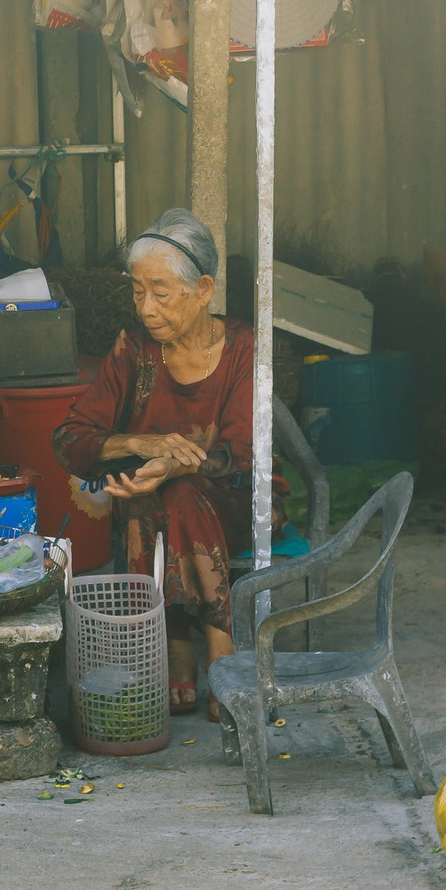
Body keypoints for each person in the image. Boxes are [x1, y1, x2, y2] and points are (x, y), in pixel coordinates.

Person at [53, 208, 276, 719]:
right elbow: (70, 439)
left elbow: (243, 452)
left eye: (161, 291)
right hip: (155, 507)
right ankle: (189, 641)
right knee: (152, 491)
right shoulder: (133, 350)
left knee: (177, 491)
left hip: (239, 503)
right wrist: (143, 446)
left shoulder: (244, 347)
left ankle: (202, 643)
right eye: (137, 292)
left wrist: (179, 465)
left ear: (202, 289)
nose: (146, 308)